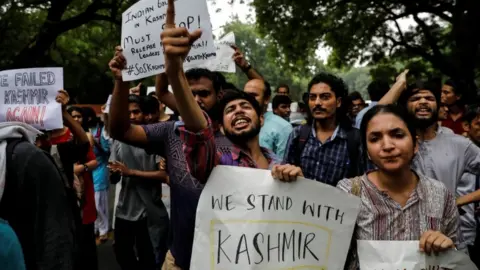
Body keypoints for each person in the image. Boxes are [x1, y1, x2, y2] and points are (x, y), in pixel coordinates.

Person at [160, 1, 302, 183]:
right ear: (221, 128)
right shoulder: (216, 164)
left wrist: (297, 183)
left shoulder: (279, 164)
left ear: (261, 119)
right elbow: (199, 131)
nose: (238, 111)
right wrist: (175, 72)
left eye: (245, 106)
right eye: (230, 110)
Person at [337, 105, 458, 269]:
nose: (387, 146)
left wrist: (448, 248)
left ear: (415, 144)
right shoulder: (349, 192)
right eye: (375, 139)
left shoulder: (440, 193)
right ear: (367, 152)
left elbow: (458, 257)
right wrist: (296, 188)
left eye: (397, 135)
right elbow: (328, 253)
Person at [109, 94, 169, 270]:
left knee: (149, 258)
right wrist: (113, 173)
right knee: (122, 253)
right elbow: (115, 176)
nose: (132, 116)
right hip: (124, 209)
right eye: (128, 112)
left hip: (148, 211)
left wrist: (131, 172)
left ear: (146, 114)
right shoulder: (119, 140)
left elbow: (163, 175)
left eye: (136, 112)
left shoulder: (154, 139)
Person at [283, 73, 365, 186]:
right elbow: (284, 175)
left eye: (325, 97)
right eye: (312, 97)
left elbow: (364, 185)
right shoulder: (298, 135)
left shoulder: (355, 139)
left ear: (338, 102)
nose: (317, 102)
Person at [244, 79, 293, 159]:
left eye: (253, 95)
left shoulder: (283, 127)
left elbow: (283, 164)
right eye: (245, 95)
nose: (248, 99)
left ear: (266, 99)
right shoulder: (236, 123)